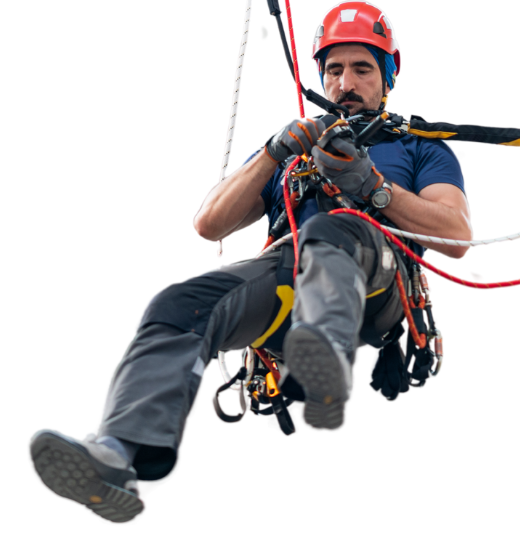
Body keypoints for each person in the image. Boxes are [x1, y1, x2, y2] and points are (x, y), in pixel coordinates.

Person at [26, 0, 473, 526]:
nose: (346, 82)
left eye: (362, 69)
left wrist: (374, 187)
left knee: (332, 230)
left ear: (387, 76)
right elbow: (208, 224)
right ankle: (121, 457)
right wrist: (271, 152)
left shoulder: (419, 148)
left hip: (378, 281)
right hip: (292, 275)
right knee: (179, 304)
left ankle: (326, 362)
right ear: (321, 76)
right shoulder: (295, 150)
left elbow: (457, 238)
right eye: (334, 69)